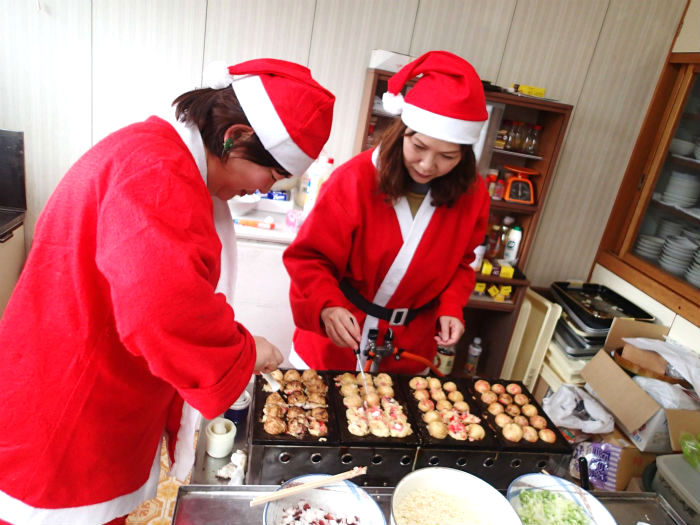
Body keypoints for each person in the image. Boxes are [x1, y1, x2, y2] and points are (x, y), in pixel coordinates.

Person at [0, 59, 334, 525]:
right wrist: (243, 350)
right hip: (72, 400)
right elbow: (162, 309)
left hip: (83, 376)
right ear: (235, 137)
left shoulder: (155, 152)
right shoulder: (156, 172)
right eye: (274, 176)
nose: (265, 188)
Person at [283, 50, 490, 374]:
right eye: (418, 147)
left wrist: (451, 307)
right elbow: (310, 259)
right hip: (340, 333)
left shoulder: (472, 195)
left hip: (408, 345)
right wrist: (326, 306)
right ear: (401, 133)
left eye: (448, 156)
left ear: (465, 155)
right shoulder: (353, 180)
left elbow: (463, 263)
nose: (428, 165)